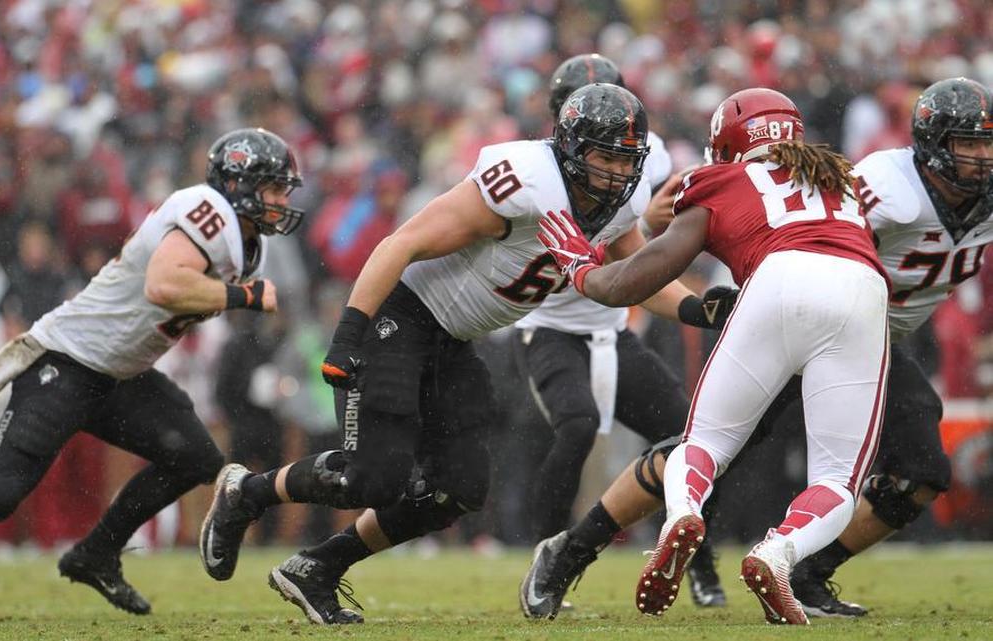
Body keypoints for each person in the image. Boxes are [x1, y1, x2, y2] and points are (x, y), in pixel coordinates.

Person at [199, 83, 728, 625]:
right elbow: (402, 243)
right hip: (402, 317)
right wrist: (350, 334)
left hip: (453, 340)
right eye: (604, 155)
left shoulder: (621, 203)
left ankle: (318, 567)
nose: (617, 172)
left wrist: (696, 309)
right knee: (373, 478)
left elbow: (636, 275)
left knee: (458, 490)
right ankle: (247, 492)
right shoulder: (524, 181)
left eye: (625, 159)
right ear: (570, 147)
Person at [0, 128, 304, 622]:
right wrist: (243, 296)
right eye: (274, 187)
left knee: (195, 458)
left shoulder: (249, 244)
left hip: (119, 373)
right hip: (68, 362)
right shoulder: (207, 209)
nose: (282, 200)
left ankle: (96, 554)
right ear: (240, 184)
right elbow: (163, 285)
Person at [537, 88, 889, 625]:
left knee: (703, 442)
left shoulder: (721, 179)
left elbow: (636, 278)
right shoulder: (841, 180)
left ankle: (682, 513)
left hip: (776, 282)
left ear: (729, 142)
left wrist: (584, 270)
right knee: (837, 478)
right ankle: (779, 552)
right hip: (862, 289)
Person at [515, 54, 732, 617]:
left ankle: (700, 565)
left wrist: (662, 235)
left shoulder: (646, 159)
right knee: (577, 426)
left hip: (614, 326)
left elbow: (639, 242)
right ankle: (548, 557)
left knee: (689, 438)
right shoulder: (533, 173)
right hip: (553, 325)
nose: (606, 124)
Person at [779, 77, 993, 617]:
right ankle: (573, 548)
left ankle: (807, 573)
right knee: (718, 448)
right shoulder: (888, 186)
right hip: (811, 323)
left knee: (922, 472)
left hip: (880, 338)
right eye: (968, 143)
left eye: (988, 143)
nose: (982, 156)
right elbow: (814, 246)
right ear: (933, 144)